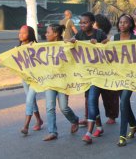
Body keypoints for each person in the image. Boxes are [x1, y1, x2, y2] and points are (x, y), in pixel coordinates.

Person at [69, 12, 108, 144]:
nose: (82, 25)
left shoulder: (99, 34)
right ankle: (100, 127)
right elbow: (69, 47)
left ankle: (88, 133)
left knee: (91, 100)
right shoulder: (79, 34)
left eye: (85, 22)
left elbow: (108, 47)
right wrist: (71, 43)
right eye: (81, 23)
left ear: (92, 23)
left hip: (98, 74)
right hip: (85, 75)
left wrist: (98, 44)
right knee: (91, 102)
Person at [43, 24, 79, 141]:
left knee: (63, 107)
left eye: (48, 32)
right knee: (50, 107)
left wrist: (72, 42)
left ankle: (74, 120)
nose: (46, 34)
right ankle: (52, 132)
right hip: (50, 81)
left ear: (56, 34)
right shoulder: (43, 46)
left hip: (63, 82)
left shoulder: (65, 44)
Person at [8, 26, 44, 136]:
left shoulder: (35, 47)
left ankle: (26, 126)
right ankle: (39, 120)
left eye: (24, 33)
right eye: (19, 33)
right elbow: (11, 59)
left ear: (30, 34)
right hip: (24, 79)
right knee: (31, 101)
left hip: (35, 80)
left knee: (29, 100)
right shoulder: (18, 48)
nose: (20, 35)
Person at [109, 14, 136, 147]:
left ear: (130, 24)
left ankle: (122, 135)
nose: (122, 24)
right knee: (125, 102)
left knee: (124, 101)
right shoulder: (113, 38)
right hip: (118, 75)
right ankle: (133, 124)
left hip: (131, 76)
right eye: (120, 22)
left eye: (125, 22)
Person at [92, 14, 119, 125]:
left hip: (107, 70)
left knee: (109, 94)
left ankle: (112, 115)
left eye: (93, 22)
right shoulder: (88, 35)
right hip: (93, 70)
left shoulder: (106, 37)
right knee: (90, 96)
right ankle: (89, 116)